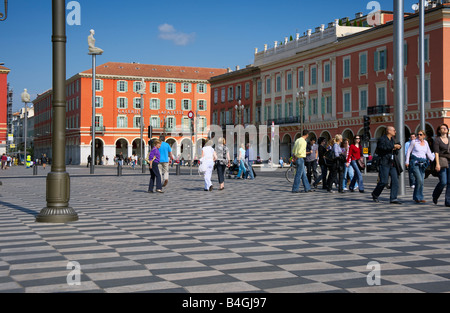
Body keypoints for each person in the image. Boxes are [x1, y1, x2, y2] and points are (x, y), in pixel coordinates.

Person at [371, 126, 402, 204]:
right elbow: (382, 148)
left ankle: (393, 198)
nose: (395, 131)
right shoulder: (382, 139)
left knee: (395, 180)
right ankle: (375, 194)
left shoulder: (392, 140)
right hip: (384, 162)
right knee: (383, 181)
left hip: (392, 163)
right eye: (394, 130)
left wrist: (396, 148)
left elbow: (393, 151)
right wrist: (393, 146)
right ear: (389, 131)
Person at [406, 129, 435, 203]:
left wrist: (435, 159)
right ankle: (416, 196)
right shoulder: (414, 142)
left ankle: (420, 197)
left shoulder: (426, 142)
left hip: (423, 163)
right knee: (419, 179)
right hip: (415, 162)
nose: (419, 136)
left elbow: (428, 153)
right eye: (418, 134)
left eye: (420, 134)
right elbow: (409, 151)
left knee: (421, 181)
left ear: (424, 136)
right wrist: (407, 161)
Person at [432, 124, 450, 206]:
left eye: (445, 128)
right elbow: (436, 153)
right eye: (442, 128)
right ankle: (435, 195)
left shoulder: (449, 139)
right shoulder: (438, 140)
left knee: (449, 182)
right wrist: (437, 164)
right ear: (439, 130)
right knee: (443, 182)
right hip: (442, 161)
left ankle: (448, 201)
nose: (445, 129)